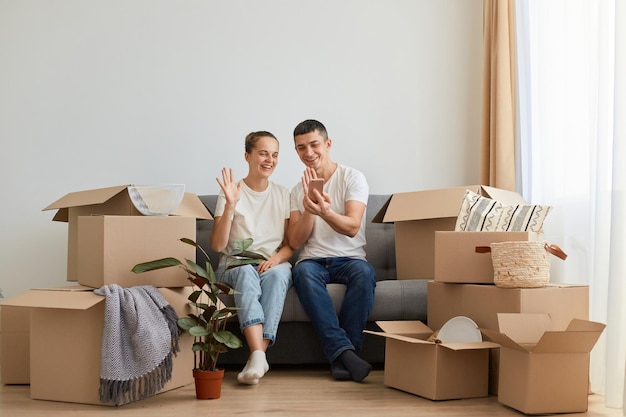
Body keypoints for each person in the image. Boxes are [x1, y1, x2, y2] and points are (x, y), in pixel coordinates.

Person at [288, 119, 376, 382]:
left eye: (314, 144)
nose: (309, 153)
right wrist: (308, 210)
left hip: (350, 259)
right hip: (313, 261)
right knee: (302, 272)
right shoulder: (297, 190)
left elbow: (351, 227)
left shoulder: (352, 177)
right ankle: (347, 357)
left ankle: (343, 356)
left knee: (364, 273)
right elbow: (294, 241)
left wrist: (325, 211)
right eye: (301, 148)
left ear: (328, 144)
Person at [210, 131, 293, 385]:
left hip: (271, 262)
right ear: (247, 156)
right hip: (235, 263)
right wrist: (230, 206)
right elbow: (217, 245)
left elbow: (290, 245)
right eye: (263, 153)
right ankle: (259, 355)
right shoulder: (231, 192)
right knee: (246, 271)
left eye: (275, 154)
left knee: (279, 273)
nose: (270, 160)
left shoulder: (282, 194)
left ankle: (257, 356)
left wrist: (276, 259)